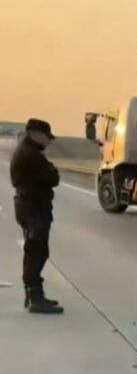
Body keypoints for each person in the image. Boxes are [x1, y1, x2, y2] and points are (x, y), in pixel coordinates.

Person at [10, 119, 63, 314]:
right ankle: (35, 296)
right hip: (33, 208)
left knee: (35, 250)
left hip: (30, 206)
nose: (48, 141)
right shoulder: (30, 155)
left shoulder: (28, 152)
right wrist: (52, 170)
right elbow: (53, 178)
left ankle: (33, 293)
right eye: (46, 137)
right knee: (37, 251)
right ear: (34, 134)